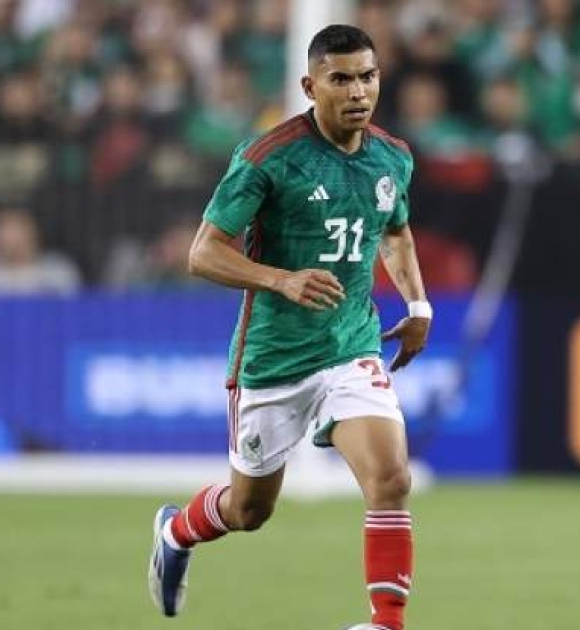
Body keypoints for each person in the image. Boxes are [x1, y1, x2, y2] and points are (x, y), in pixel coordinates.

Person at [147, 25, 431, 630]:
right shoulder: (269, 157)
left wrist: (418, 306)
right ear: (309, 86)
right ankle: (176, 532)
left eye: (368, 77)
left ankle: (386, 622)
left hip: (351, 345)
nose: (358, 91)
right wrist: (281, 279)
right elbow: (203, 253)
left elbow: (395, 232)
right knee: (249, 510)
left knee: (391, 477)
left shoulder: (393, 156)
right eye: (341, 79)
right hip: (273, 356)